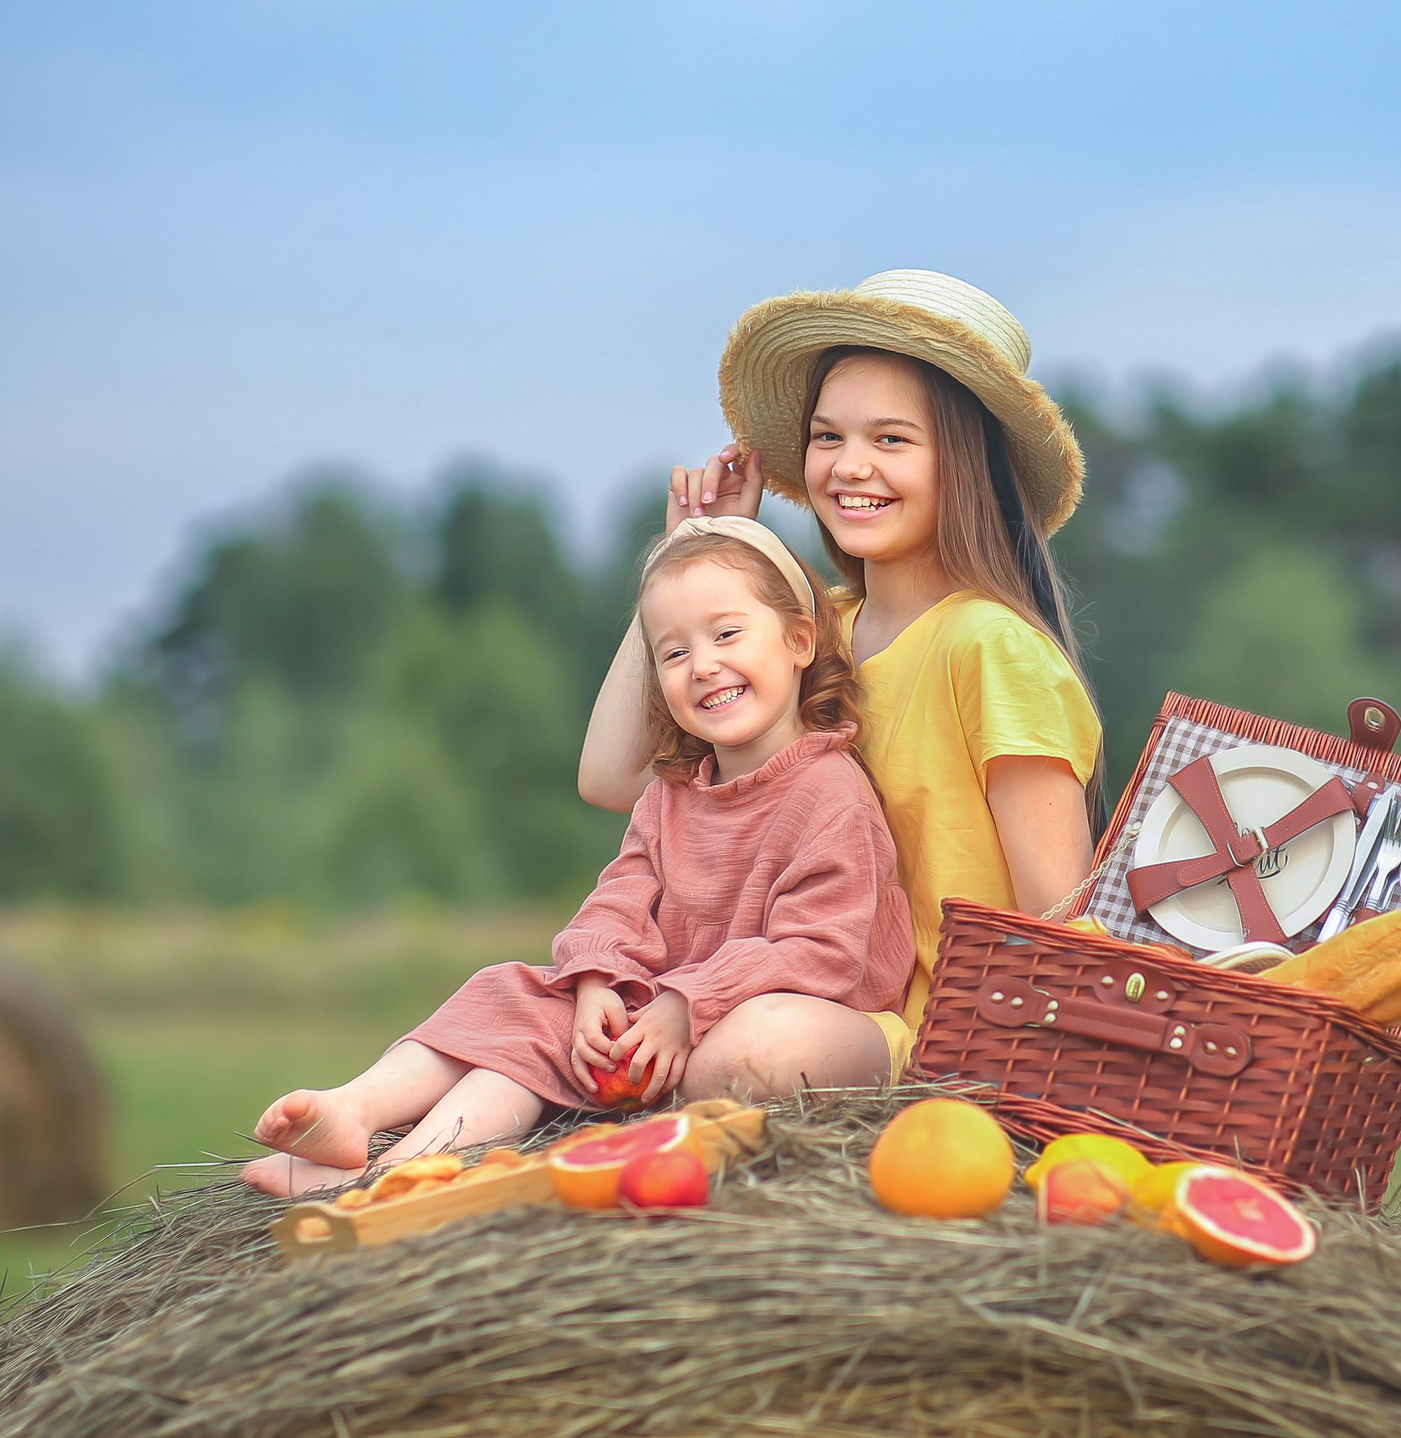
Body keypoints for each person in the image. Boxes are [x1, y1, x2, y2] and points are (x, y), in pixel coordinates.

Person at [243, 517, 914, 1197]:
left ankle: (409, 1169)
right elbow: (620, 899)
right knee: (513, 996)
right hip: (664, 1013)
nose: (703, 665)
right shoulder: (672, 793)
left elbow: (820, 952)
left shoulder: (830, 794)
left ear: (799, 640)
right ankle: (373, 1140)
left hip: (803, 1022)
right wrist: (596, 980)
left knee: (745, 1049)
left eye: (726, 634)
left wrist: (688, 1004)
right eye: (674, 653)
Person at [579, 270, 1104, 1093]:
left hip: (933, 1044)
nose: (850, 466)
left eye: (891, 439)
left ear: (964, 462)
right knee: (570, 1015)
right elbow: (612, 778)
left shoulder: (992, 646)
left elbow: (1059, 913)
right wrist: (690, 565)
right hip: (799, 994)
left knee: (751, 1047)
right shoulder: (813, 631)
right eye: (828, 437)